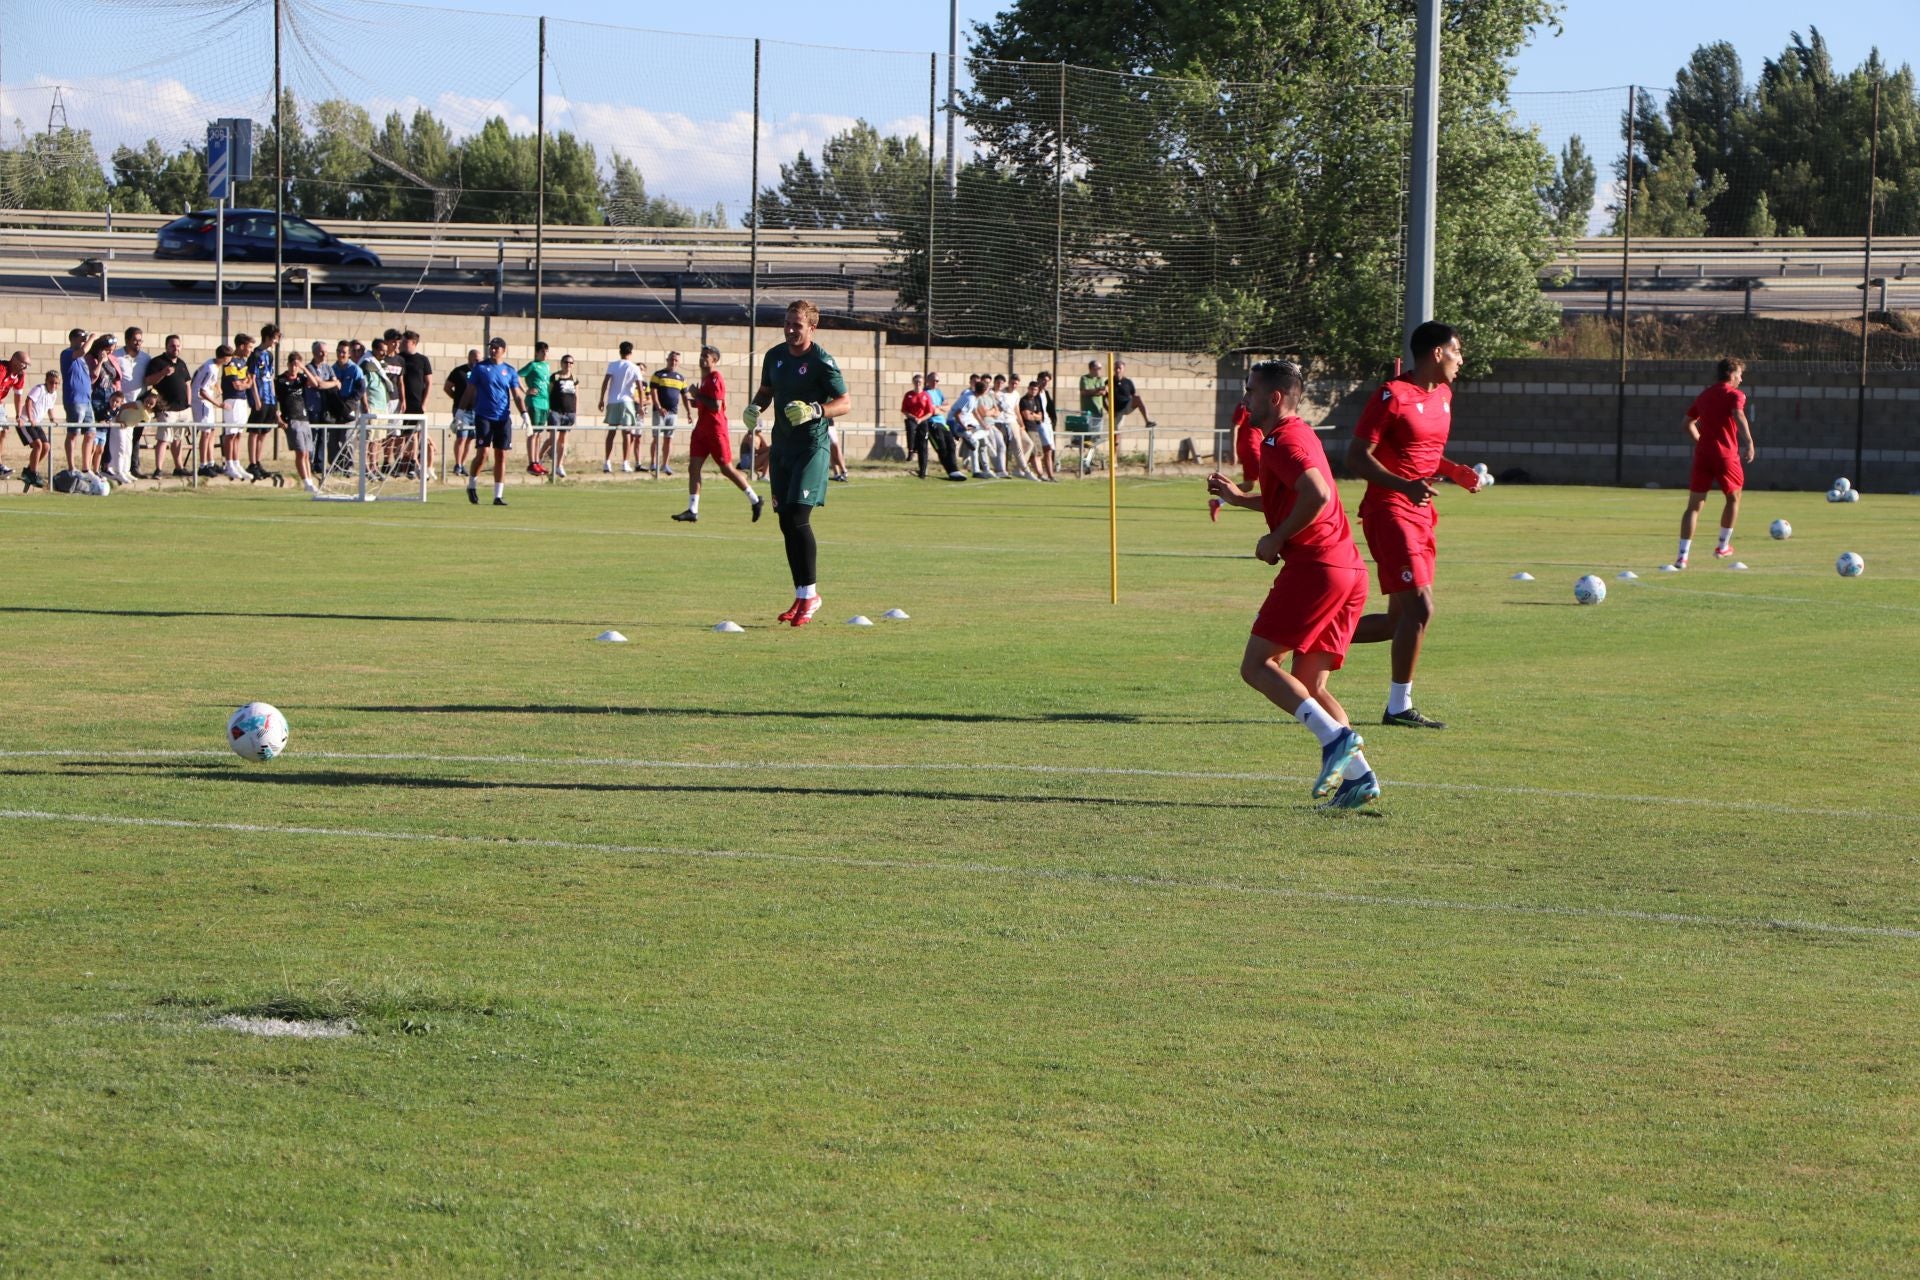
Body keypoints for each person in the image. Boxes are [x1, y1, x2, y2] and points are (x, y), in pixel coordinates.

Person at [1208, 359, 1378, 810]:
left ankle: (1335, 744)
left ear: (1275, 398)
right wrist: (1242, 498)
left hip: (1315, 568)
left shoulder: (1280, 441)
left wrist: (1277, 537)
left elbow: (1317, 494)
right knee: (1309, 682)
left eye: (1251, 390)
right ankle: (1358, 779)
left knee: (1257, 666)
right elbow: (1295, 491)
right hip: (1349, 570)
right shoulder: (1297, 435)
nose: (1245, 397)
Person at [1344, 320, 1482, 730]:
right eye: (1456, 351)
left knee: (1396, 622)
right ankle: (1399, 707)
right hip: (1389, 510)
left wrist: (1455, 471)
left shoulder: (1444, 395)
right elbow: (1355, 457)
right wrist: (1403, 485)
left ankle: (1307, 635)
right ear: (1437, 353)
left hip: (1422, 514)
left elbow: (1422, 453)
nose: (1461, 359)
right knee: (1421, 608)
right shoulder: (1391, 395)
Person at [743, 300, 850, 626]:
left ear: (812, 328)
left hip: (811, 448)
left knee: (798, 516)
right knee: (786, 521)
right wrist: (754, 407)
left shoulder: (822, 361)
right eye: (787, 324)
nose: (790, 330)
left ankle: (812, 595)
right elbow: (766, 391)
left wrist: (816, 410)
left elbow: (844, 403)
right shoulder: (774, 356)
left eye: (797, 325)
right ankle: (803, 595)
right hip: (783, 449)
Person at [1672, 356, 1755, 570]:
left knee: (1694, 507)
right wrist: (1749, 442)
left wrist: (1701, 442)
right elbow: (1738, 414)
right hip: (1726, 455)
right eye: (1739, 374)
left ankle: (1682, 557)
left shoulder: (1704, 395)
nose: (1741, 379)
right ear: (1731, 374)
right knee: (1734, 498)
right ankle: (1722, 546)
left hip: (1703, 455)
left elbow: (1686, 424)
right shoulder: (1735, 395)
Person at [673, 345, 761, 523]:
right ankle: (693, 510)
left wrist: (698, 395)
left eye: (706, 356)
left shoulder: (715, 378)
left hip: (715, 430)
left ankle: (755, 499)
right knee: (693, 468)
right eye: (701, 355)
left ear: (715, 360)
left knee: (726, 469)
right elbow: (706, 403)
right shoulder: (704, 379)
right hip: (701, 430)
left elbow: (716, 405)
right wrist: (695, 401)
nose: (702, 358)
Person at [460, 336, 529, 507]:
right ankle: (472, 485)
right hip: (484, 416)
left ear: (503, 350)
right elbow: (469, 391)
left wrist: (525, 415)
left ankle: (498, 496)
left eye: (496, 348)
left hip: (503, 418)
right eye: (491, 347)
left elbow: (516, 396)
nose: (493, 350)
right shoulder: (480, 368)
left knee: (501, 455)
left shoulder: (510, 371)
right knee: (483, 454)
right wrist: (460, 412)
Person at [142, 334, 194, 478]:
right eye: (172, 346)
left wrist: (188, 403)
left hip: (183, 409)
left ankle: (179, 467)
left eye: (178, 346)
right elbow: (148, 381)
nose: (175, 348)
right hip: (166, 408)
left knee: (178, 439)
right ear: (166, 347)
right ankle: (158, 469)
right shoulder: (157, 362)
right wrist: (163, 373)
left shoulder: (181, 363)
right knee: (164, 439)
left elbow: (187, 384)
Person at [276, 352, 322, 495]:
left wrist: (304, 368)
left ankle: (309, 480)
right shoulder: (280, 380)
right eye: (293, 364)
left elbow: (315, 383)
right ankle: (306, 482)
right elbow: (275, 400)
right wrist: (278, 418)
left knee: (307, 453)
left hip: (304, 418)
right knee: (300, 451)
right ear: (289, 364)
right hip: (291, 419)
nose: (294, 368)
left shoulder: (301, 378)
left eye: (297, 365)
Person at [903, 372, 959, 479]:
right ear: (927, 381)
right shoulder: (925, 393)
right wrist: (939, 409)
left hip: (942, 423)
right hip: (931, 423)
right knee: (941, 447)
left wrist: (940, 408)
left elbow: (948, 406)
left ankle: (955, 470)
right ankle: (950, 471)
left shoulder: (938, 392)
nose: (935, 383)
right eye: (933, 380)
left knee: (951, 445)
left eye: (937, 381)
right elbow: (931, 410)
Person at [112, 326, 149, 481]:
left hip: (137, 406)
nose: (137, 343)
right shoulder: (117, 356)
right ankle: (114, 469)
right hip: (122, 405)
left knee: (132, 440)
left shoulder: (146, 358)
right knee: (118, 441)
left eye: (140, 340)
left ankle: (129, 468)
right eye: (135, 340)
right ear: (127, 340)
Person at [598, 340, 642, 473]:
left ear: (620, 351)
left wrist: (601, 399)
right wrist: (640, 405)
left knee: (611, 432)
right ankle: (625, 463)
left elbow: (605, 382)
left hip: (612, 401)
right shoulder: (634, 367)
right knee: (627, 433)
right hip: (627, 402)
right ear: (631, 352)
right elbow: (640, 386)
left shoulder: (613, 365)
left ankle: (607, 462)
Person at [244, 323, 280, 479]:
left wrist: (274, 398)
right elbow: (251, 378)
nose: (276, 342)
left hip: (270, 399)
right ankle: (252, 463)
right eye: (274, 338)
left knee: (264, 432)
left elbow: (270, 378)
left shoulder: (270, 356)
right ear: (267, 337)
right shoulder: (255, 355)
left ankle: (258, 462)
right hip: (260, 397)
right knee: (254, 431)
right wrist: (256, 399)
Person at [219, 334, 257, 480]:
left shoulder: (243, 362)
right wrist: (245, 384)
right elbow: (237, 384)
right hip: (232, 400)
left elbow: (248, 383)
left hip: (242, 400)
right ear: (241, 346)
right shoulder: (231, 363)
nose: (250, 351)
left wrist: (245, 384)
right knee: (231, 433)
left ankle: (236, 462)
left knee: (239, 433)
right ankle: (229, 464)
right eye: (249, 347)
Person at [59, 328, 94, 474]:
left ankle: (86, 467)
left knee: (91, 433)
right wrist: (92, 337)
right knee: (73, 433)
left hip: (87, 400)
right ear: (72, 338)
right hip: (74, 400)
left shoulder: (82, 359)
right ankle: (71, 467)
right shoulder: (67, 353)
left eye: (85, 338)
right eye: (81, 338)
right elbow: (82, 351)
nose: (84, 340)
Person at [648, 350, 687, 477]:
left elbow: (684, 396)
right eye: (671, 359)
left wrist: (688, 412)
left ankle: (665, 464)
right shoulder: (658, 374)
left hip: (673, 413)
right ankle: (653, 463)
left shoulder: (681, 378)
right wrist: (658, 407)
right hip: (659, 412)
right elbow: (653, 392)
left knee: (669, 439)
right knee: (656, 438)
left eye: (676, 360)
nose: (673, 362)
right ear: (667, 360)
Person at [19, 369, 57, 490]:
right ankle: (33, 473)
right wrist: (30, 418)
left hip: (37, 423)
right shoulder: (39, 389)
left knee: (46, 447)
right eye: (51, 382)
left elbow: (50, 407)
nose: (54, 385)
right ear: (46, 381)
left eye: (56, 383)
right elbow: (28, 401)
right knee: (38, 445)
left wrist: (52, 418)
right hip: (26, 421)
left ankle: (29, 471)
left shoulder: (54, 394)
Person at [192, 343, 227, 475]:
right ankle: (202, 465)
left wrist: (217, 386)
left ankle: (210, 463)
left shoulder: (214, 365)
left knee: (211, 431)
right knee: (205, 433)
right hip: (201, 401)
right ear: (223, 358)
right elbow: (202, 391)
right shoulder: (210, 368)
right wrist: (218, 404)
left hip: (207, 401)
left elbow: (210, 381)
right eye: (227, 357)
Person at [520, 342, 553, 476]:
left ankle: (537, 461)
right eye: (542, 352)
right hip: (534, 402)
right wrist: (526, 391)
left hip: (545, 403)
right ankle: (531, 462)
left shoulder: (546, 366)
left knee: (539, 434)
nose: (545, 355)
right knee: (533, 433)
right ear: (537, 353)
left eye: (546, 352)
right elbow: (517, 376)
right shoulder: (532, 365)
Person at [445, 348, 478, 476]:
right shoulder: (459, 372)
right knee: (461, 437)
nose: (477, 361)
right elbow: (447, 387)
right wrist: (457, 398)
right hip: (461, 411)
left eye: (479, 359)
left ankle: (463, 464)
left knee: (470, 438)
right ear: (469, 358)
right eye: (475, 359)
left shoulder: (481, 372)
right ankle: (457, 465)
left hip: (476, 410)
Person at [1019, 378, 1056, 482]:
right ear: (1028, 389)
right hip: (1028, 428)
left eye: (1035, 389)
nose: (1033, 391)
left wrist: (1033, 415)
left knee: (1039, 453)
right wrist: (1034, 415)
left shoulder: (1036, 400)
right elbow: (1027, 416)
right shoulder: (1024, 400)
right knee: (1034, 452)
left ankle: (1039, 474)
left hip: (1036, 428)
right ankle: (1037, 474)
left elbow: (1040, 416)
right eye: (1032, 389)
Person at [547, 354, 577, 477]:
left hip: (569, 412)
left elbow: (576, 396)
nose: (568, 365)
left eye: (571, 363)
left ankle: (559, 465)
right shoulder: (555, 377)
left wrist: (575, 411)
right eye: (566, 362)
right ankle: (537, 458)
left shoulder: (574, 378)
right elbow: (549, 392)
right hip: (556, 411)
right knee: (553, 439)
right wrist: (548, 409)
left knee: (563, 441)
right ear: (561, 363)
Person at [0, 350, 26, 480]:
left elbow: (18, 396)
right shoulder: (2, 369)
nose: (25, 367)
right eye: (23, 364)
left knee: (4, 432)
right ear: (15, 361)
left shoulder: (20, 375)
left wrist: (18, 415)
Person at [1112, 360, 1154, 430]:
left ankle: (1147, 421)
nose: (1118, 370)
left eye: (1120, 368)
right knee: (1116, 432)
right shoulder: (1109, 381)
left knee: (1138, 398)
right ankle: (1116, 440)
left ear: (1123, 369)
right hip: (1116, 410)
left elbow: (1133, 395)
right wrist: (1109, 410)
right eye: (1116, 368)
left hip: (1126, 406)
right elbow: (1104, 398)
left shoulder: (1128, 382)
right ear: (1113, 369)